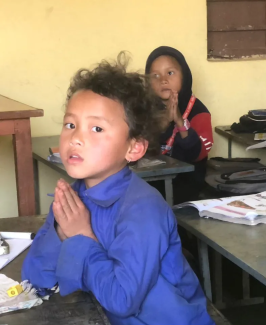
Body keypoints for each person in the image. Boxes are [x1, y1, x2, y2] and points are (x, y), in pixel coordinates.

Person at [22, 53, 214, 325]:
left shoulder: (143, 210)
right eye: (70, 124)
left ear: (134, 148)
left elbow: (122, 301)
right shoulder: (72, 200)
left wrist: (81, 238)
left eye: (96, 128)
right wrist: (59, 230)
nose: (76, 138)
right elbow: (35, 279)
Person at [146, 46, 213, 204]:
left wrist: (179, 121)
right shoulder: (146, 109)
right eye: (155, 75)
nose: (163, 80)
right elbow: (138, 147)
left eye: (170, 73)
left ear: (185, 76)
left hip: (187, 188)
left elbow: (199, 154)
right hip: (150, 187)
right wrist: (164, 122)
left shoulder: (199, 112)